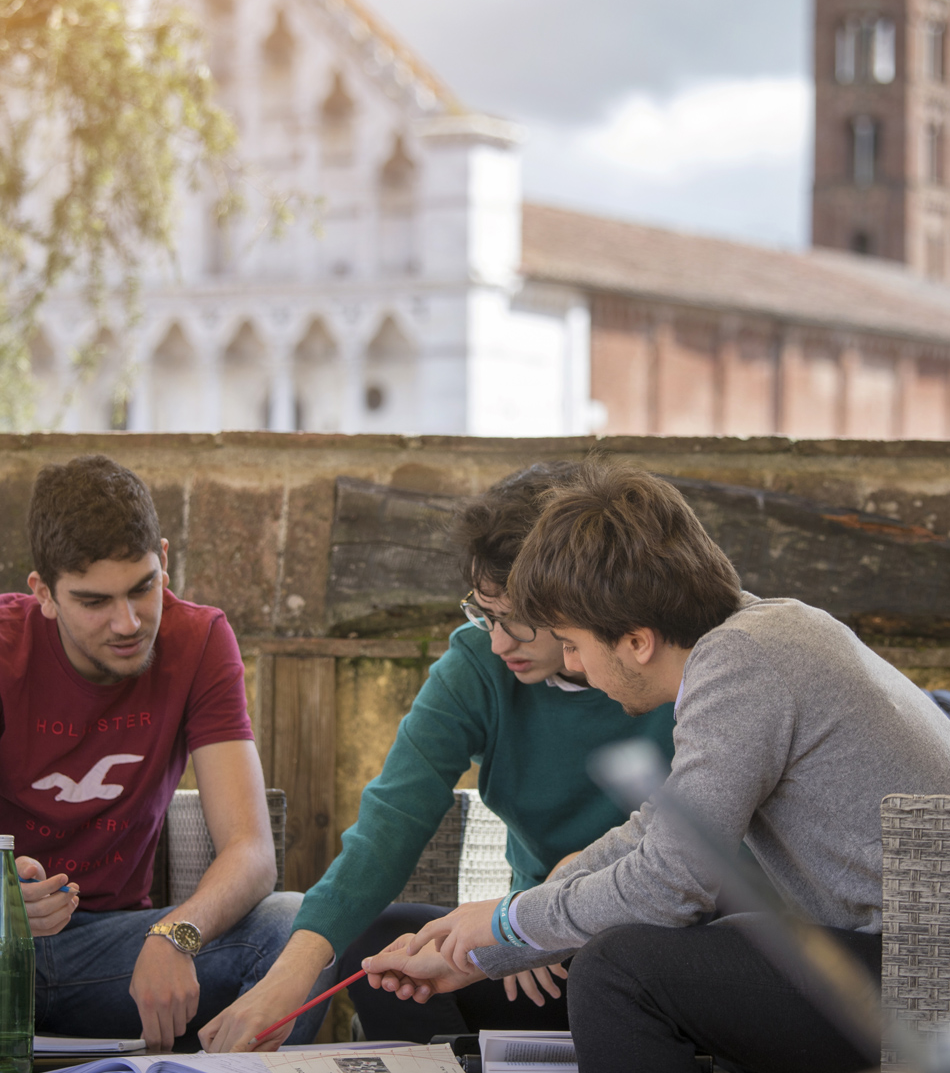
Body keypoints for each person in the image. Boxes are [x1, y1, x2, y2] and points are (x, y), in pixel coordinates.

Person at [362, 464, 950, 1073]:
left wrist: (509, 918)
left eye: (571, 642)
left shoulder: (742, 665)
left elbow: (669, 884)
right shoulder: (761, 635)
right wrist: (481, 951)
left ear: (636, 641)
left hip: (925, 981)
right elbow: (660, 832)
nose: (574, 666)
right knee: (699, 944)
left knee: (618, 972)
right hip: (903, 962)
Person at [199, 462, 677, 1050]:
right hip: (532, 962)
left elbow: (698, 844)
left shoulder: (674, 666)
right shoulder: (478, 664)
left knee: (621, 963)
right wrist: (289, 978)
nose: (498, 642)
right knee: (386, 949)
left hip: (650, 943)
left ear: (575, 597)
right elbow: (388, 826)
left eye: (517, 622)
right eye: (483, 612)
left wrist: (535, 911)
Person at [0, 455, 312, 1050]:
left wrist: (176, 935)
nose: (128, 622)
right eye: (94, 602)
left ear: (164, 561)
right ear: (44, 593)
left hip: (116, 951)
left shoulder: (200, 640)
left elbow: (251, 852)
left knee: (293, 926)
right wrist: (0, 897)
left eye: (143, 588)